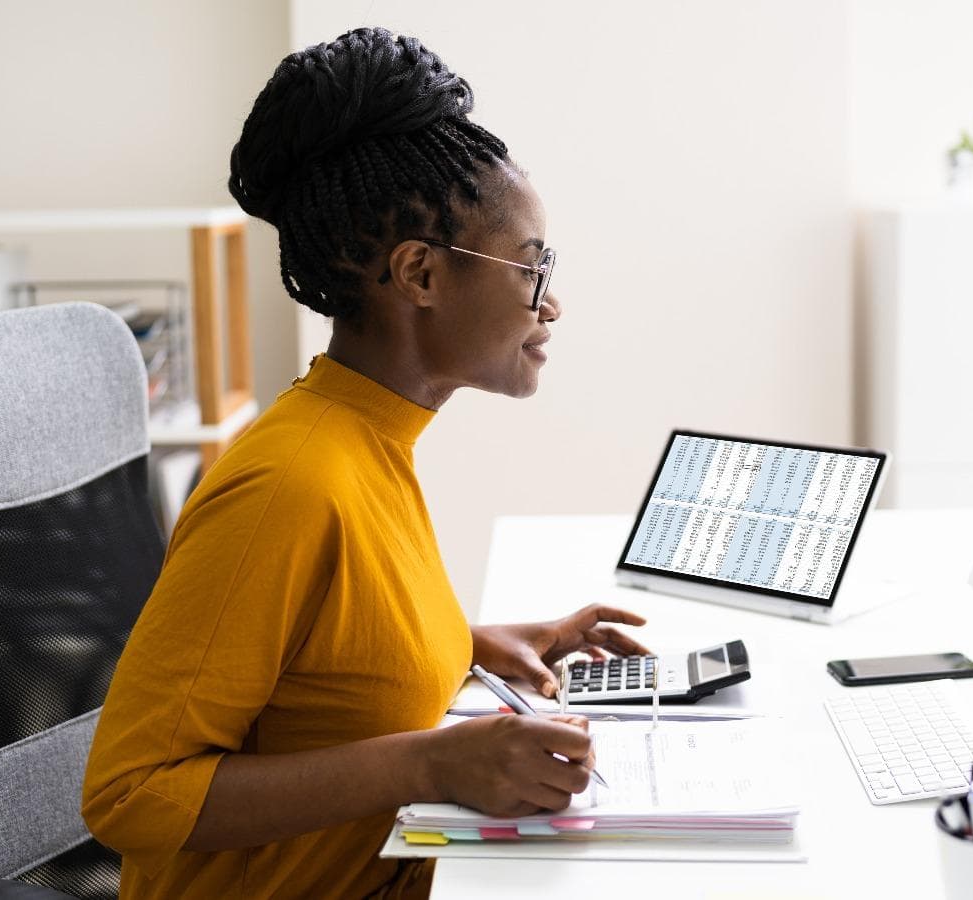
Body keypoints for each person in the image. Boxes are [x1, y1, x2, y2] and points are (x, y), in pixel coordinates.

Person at [81, 27, 646, 898]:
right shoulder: (291, 486)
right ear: (420, 273)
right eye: (532, 268)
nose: (551, 303)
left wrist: (472, 647)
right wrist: (429, 764)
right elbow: (129, 795)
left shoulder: (373, 439)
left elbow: (330, 668)